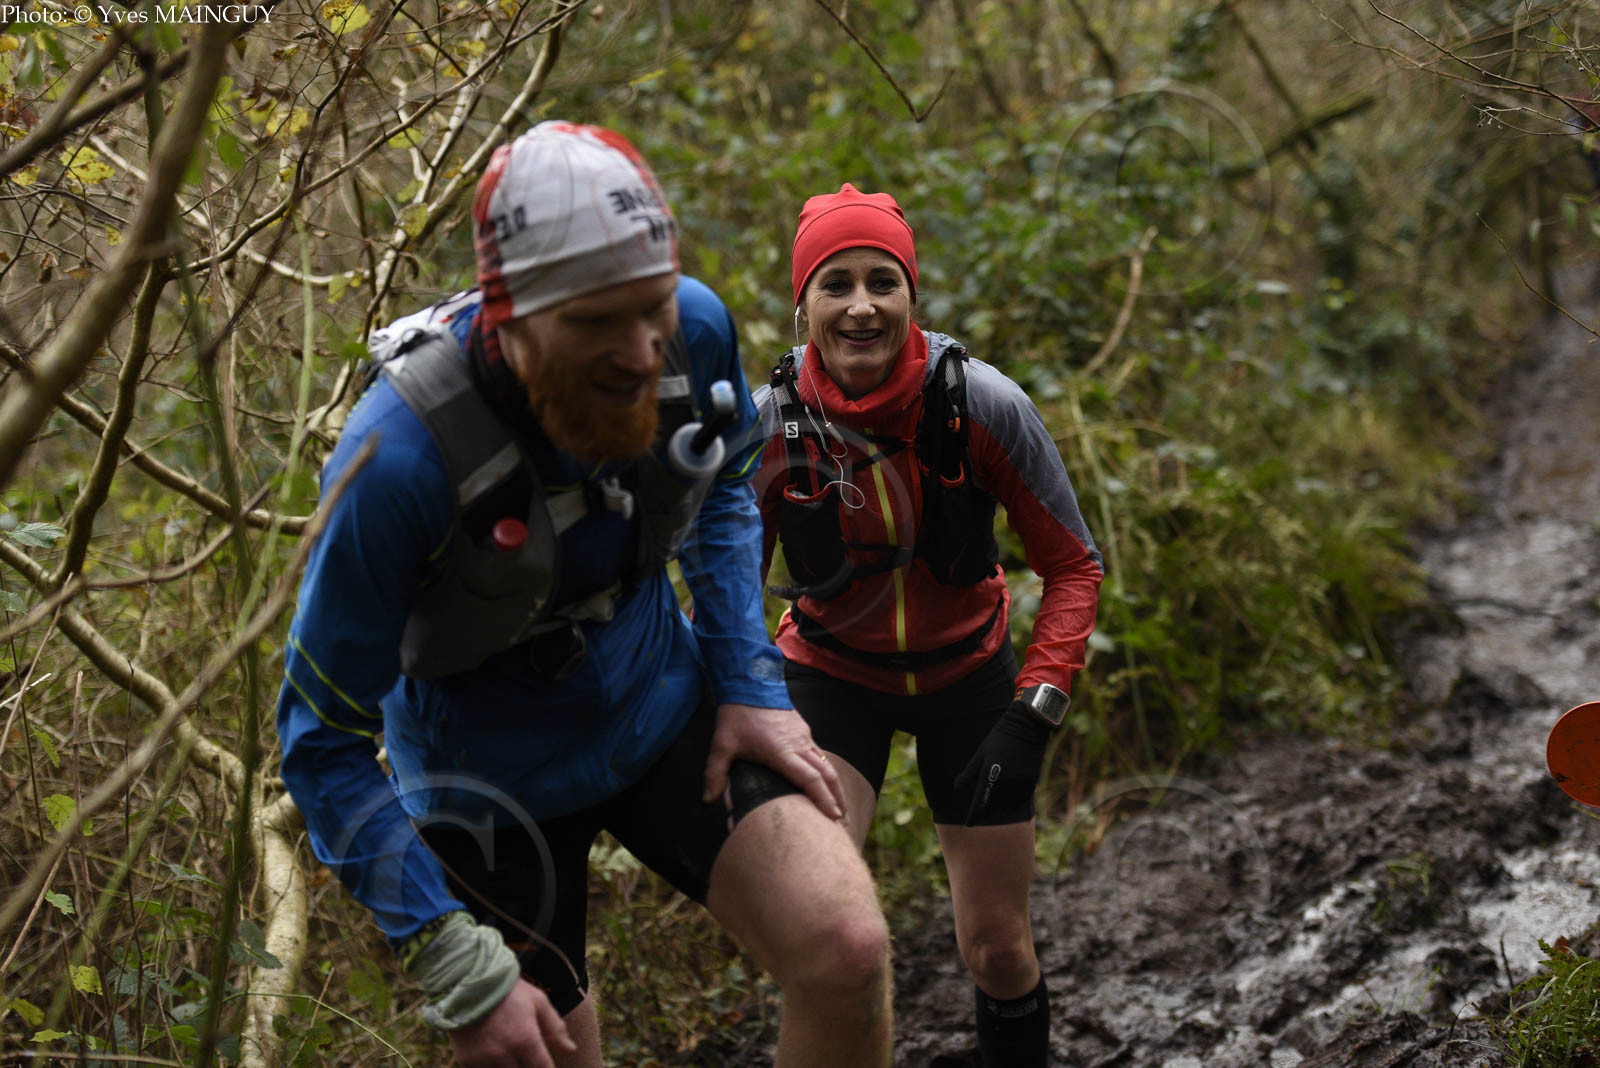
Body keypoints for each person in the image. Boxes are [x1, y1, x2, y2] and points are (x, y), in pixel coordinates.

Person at [275, 125, 892, 1068]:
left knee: (847, 950)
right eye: (598, 322)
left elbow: (726, 483)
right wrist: (448, 954)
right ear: (508, 317)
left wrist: (749, 682)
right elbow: (320, 742)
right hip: (482, 777)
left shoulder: (692, 330)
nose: (639, 352)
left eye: (650, 307)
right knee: (543, 1053)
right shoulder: (394, 463)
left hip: (656, 699)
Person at [751, 183, 1104, 1068]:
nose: (861, 306)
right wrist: (737, 707)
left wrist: (1034, 714)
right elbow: (722, 595)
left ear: (912, 295)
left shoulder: (982, 406)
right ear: (803, 305)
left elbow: (1073, 567)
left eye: (883, 282)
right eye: (836, 285)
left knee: (997, 947)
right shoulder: (770, 426)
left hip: (969, 679)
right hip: (831, 674)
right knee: (825, 933)